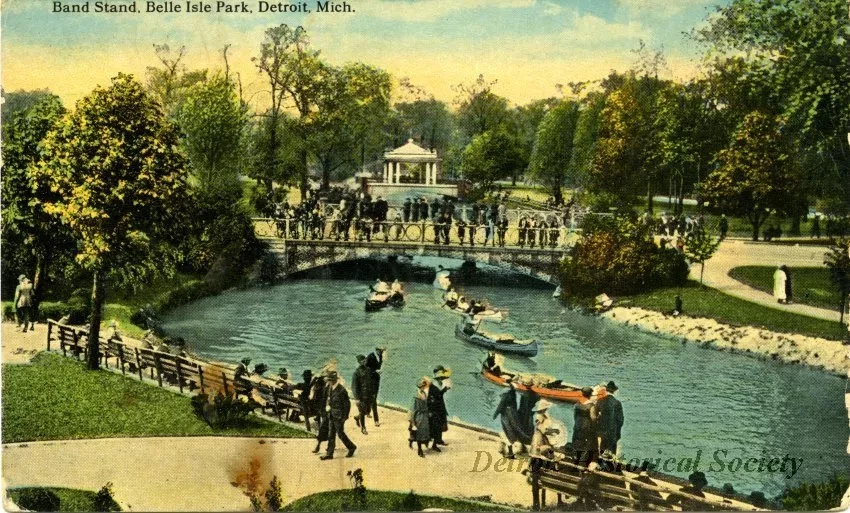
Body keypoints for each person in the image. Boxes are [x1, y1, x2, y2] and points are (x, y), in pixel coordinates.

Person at [320, 371, 357, 460]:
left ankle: (351, 447)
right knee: (331, 434)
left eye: (329, 380)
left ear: (333, 380)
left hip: (339, 416)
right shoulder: (329, 387)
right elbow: (328, 399)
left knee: (340, 434)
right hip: (331, 415)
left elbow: (347, 404)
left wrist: (345, 417)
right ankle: (329, 454)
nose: (328, 382)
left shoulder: (341, 390)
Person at [494, 376, 523, 458]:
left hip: (506, 413)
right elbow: (515, 404)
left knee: (506, 429)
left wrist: (495, 414)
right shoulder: (513, 391)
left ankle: (509, 451)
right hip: (513, 412)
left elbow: (501, 405)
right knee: (512, 429)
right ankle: (508, 448)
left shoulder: (506, 393)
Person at [572, 387, 598, 466]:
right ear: (590, 395)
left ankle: (575, 460)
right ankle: (583, 463)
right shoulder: (591, 406)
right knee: (586, 445)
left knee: (577, 443)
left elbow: (574, 416)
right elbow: (593, 418)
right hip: (586, 427)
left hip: (577, 426)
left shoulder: (577, 404)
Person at [596, 381, 624, 455]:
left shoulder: (600, 401)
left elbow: (595, 416)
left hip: (602, 431)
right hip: (612, 432)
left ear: (606, 390)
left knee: (602, 452)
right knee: (611, 454)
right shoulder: (617, 403)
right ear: (614, 391)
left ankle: (600, 464)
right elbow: (620, 420)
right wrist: (617, 433)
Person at [428, 366, 451, 450]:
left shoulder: (439, 383)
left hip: (440, 405)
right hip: (435, 407)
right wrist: (444, 390)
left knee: (442, 421)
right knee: (437, 424)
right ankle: (436, 441)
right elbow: (436, 396)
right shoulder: (433, 384)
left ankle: (439, 439)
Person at [408, 377, 431, 457]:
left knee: (425, 431)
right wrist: (412, 422)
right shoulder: (416, 397)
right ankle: (419, 449)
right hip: (418, 416)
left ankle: (424, 442)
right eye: (423, 386)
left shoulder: (424, 394)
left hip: (424, 416)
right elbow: (413, 410)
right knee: (418, 433)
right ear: (420, 386)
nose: (424, 387)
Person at [351, 355, 374, 435]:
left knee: (367, 411)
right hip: (361, 397)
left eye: (365, 360)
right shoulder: (356, 373)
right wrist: (357, 398)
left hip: (368, 395)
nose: (364, 361)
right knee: (362, 412)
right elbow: (354, 387)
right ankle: (363, 428)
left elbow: (370, 382)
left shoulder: (368, 370)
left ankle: (357, 418)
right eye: (362, 361)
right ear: (359, 362)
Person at [365, 346, 385, 426]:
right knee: (374, 400)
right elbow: (365, 368)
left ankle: (367, 412)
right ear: (377, 350)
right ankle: (376, 420)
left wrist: (378, 371)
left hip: (376, 380)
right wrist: (375, 371)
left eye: (382, 351)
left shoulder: (380, 356)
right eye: (380, 351)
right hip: (370, 380)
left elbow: (379, 366)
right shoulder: (370, 356)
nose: (381, 352)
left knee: (373, 398)